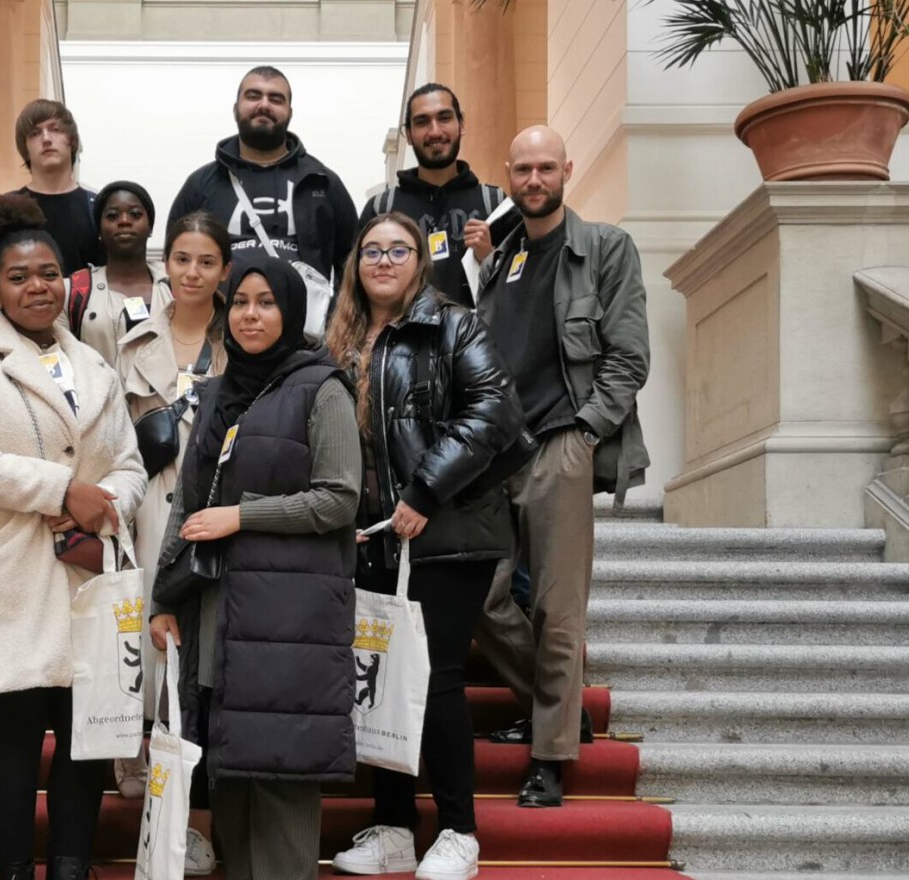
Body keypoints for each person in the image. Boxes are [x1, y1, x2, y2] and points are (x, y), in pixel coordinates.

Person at [0, 193, 147, 880]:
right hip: (9, 577)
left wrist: (107, 507)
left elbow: (130, 465)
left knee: (86, 740)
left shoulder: (96, 367)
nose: (36, 287)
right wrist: (63, 490)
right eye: (19, 276)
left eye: (49, 273)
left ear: (67, 281)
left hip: (85, 573)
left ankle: (71, 877)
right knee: (17, 742)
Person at [149, 257, 362, 880]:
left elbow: (338, 499)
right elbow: (188, 503)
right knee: (234, 770)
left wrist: (241, 517)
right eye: (240, 301)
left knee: (281, 775)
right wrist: (164, 595)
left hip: (289, 616)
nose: (250, 314)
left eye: (267, 302)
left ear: (292, 312)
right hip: (220, 611)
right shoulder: (216, 391)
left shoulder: (322, 387)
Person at [324, 213, 524, 880]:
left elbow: (493, 409)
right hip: (372, 541)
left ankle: (459, 830)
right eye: (372, 250)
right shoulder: (342, 338)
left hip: (449, 533)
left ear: (421, 261)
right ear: (356, 262)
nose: (384, 260)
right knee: (379, 682)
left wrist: (426, 493)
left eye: (398, 250)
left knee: (434, 677)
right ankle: (395, 827)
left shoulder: (453, 323)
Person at [472, 125, 651, 808]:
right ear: (509, 177)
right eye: (523, 169)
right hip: (496, 450)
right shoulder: (503, 259)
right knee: (483, 596)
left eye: (547, 167)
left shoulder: (604, 248)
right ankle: (559, 706)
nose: (535, 179)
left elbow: (628, 357)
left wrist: (586, 431)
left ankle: (551, 755)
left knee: (556, 605)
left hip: (559, 442)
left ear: (566, 170)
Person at [110, 210, 233, 873]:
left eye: (206, 261)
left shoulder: (241, 339)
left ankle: (199, 820)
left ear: (224, 270)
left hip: (221, 523)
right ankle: (162, 811)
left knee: (207, 678)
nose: (192, 272)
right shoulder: (134, 344)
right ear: (167, 266)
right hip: (149, 523)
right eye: (181, 259)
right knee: (156, 672)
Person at [169, 66, 358, 330]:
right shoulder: (201, 184)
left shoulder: (322, 182)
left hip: (303, 338)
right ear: (236, 108)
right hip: (218, 334)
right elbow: (175, 259)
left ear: (290, 112)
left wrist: (336, 322)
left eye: (276, 98)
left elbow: (352, 263)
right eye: (253, 96)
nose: (264, 105)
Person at [361, 83, 521, 307]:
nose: (435, 131)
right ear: (408, 134)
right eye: (422, 122)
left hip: (477, 339)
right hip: (402, 338)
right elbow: (356, 288)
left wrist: (489, 256)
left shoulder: (495, 205)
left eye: (444, 118)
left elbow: (523, 286)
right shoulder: (381, 210)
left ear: (461, 124)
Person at [64, 180, 171, 367]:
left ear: (151, 227)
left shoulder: (176, 283)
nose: (124, 221)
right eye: (112, 216)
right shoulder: (73, 291)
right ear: (99, 230)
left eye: (135, 214)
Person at [11, 99, 103, 275]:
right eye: (35, 133)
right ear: (25, 149)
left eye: (55, 129)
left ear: (72, 140)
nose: (46, 139)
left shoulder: (98, 208)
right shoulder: (6, 211)